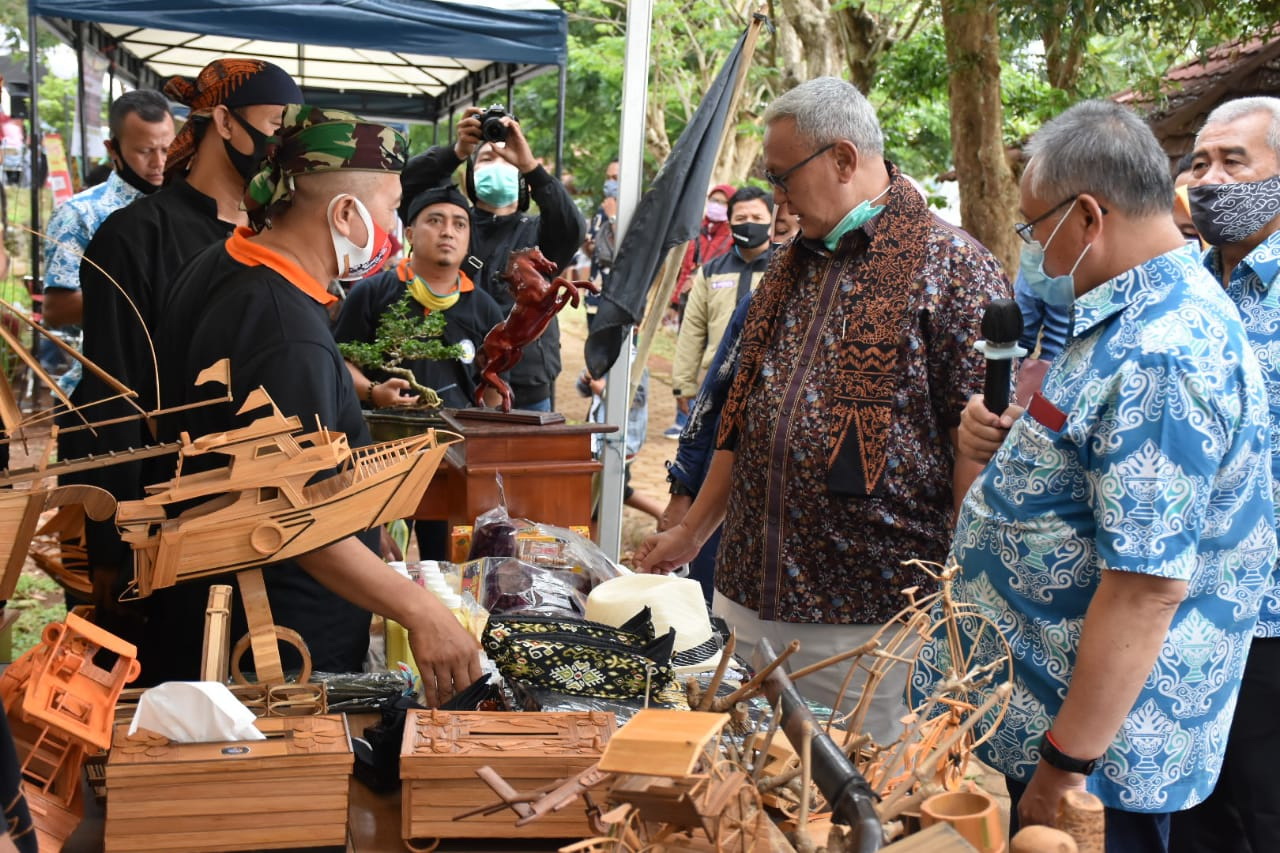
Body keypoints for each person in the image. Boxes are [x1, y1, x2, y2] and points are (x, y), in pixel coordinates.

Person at [636, 77, 1008, 741]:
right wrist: (692, 533)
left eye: (781, 178)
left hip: (870, 619)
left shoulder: (954, 268)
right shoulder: (789, 266)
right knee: (742, 792)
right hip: (745, 592)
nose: (774, 198)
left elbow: (975, 452)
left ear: (841, 159)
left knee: (857, 811)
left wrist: (952, 602)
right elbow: (743, 420)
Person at [950, 100, 1275, 852]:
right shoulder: (1132, 314)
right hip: (1058, 718)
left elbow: (1144, 586)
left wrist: (1063, 768)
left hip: (1099, 758)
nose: (1032, 251)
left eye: (1035, 229)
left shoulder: (1163, 352)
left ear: (1088, 217)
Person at [146, 105, 481, 704]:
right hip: (273, 636)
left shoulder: (227, 261)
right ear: (346, 213)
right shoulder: (283, 329)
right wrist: (421, 613)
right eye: (390, 209)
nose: (395, 229)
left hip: (208, 604)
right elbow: (299, 522)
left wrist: (362, 521)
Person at [65, 59, 302, 642]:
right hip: (168, 517)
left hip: (270, 516)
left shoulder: (277, 235)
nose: (284, 142)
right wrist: (117, 551)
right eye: (276, 122)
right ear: (224, 120)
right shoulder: (134, 237)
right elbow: (112, 401)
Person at [1168, 96, 1280, 853]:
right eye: (1199, 163)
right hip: (1181, 612)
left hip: (1272, 619)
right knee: (1198, 820)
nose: (1209, 180)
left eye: (1233, 162)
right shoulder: (1181, 290)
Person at [334, 182, 505, 559]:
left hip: (454, 458)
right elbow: (340, 362)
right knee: (375, 558)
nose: (448, 231)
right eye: (436, 220)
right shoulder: (374, 293)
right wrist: (373, 394)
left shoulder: (486, 310)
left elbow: (494, 384)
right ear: (409, 232)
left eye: (460, 224)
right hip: (382, 452)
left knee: (450, 565)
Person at [400, 107, 586, 411]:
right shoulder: (452, 227)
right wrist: (457, 151)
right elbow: (405, 187)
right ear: (470, 173)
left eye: (507, 158)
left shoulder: (541, 232)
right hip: (453, 374)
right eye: (486, 158)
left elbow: (573, 227)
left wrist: (529, 165)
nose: (498, 163)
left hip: (527, 381)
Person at [42, 90, 174, 336]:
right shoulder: (79, 213)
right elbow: (55, 310)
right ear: (112, 149)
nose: (159, 162)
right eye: (145, 151)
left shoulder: (185, 205)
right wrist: (149, 299)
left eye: (167, 149)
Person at [670, 186, 774, 425]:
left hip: (768, 385)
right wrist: (683, 384)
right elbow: (693, 329)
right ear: (730, 223)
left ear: (771, 220)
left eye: (757, 218)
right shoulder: (711, 270)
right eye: (741, 218)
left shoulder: (783, 266)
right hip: (716, 383)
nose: (749, 223)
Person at [663, 182, 737, 439]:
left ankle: (704, 418)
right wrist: (674, 299)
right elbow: (684, 269)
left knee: (713, 358)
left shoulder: (733, 236)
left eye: (722, 202)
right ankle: (682, 417)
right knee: (687, 354)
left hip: (717, 305)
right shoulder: (697, 232)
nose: (716, 206)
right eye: (713, 200)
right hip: (690, 302)